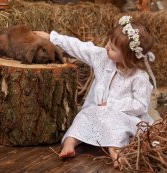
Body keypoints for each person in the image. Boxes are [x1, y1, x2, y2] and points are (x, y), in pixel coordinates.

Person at [34, 15, 157, 168]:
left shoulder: (139, 77)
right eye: (108, 42)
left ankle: (116, 151)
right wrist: (53, 37)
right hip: (97, 110)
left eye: (112, 48)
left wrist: (112, 104)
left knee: (116, 127)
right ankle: (70, 143)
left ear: (128, 57)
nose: (106, 47)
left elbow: (140, 105)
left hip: (123, 115)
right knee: (83, 117)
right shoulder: (102, 57)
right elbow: (80, 47)